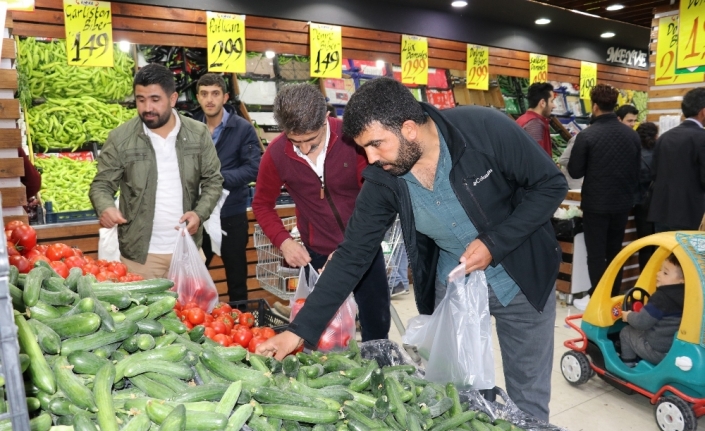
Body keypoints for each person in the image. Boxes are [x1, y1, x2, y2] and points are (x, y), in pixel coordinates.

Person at [257, 77, 568, 421]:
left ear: (409, 129)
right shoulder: (385, 178)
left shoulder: (484, 128)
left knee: (528, 398)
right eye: (363, 149)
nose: (370, 159)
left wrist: (495, 243)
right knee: (458, 398)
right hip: (454, 287)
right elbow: (352, 255)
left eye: (376, 144)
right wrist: (297, 333)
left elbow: (550, 184)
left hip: (522, 279)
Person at [251, 83, 391, 342]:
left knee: (376, 321)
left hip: (363, 248)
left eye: (311, 142)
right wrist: (284, 243)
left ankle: (377, 367)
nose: (303, 149)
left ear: (326, 119)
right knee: (322, 331)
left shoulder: (353, 140)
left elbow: (376, 198)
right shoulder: (276, 154)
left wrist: (355, 245)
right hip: (315, 252)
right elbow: (262, 204)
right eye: (295, 142)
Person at [89, 64, 223, 280]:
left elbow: (213, 181)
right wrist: (105, 207)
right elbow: (102, 184)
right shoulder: (121, 138)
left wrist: (199, 214)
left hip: (186, 250)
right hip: (140, 256)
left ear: (172, 99)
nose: (147, 107)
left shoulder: (197, 134)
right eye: (140, 100)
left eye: (154, 99)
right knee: (145, 313)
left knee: (192, 313)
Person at [569, 84, 641, 311]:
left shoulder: (587, 136)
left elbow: (575, 171)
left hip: (595, 204)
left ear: (595, 106)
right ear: (615, 106)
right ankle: (613, 297)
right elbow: (636, 170)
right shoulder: (632, 136)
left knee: (596, 254)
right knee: (614, 252)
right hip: (621, 204)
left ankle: (597, 298)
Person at [195, 73, 261, 302]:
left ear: (225, 97)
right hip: (199, 216)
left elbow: (253, 168)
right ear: (198, 98)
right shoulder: (192, 129)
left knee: (236, 279)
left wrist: (216, 178)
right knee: (194, 276)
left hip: (231, 215)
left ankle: (240, 324)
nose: (209, 99)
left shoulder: (242, 129)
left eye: (215, 94)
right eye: (204, 94)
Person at [648, 88, 705, 232]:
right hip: (691, 214)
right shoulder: (701, 138)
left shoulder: (664, 137)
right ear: (703, 112)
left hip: (662, 211)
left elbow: (653, 173)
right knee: (687, 254)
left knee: (663, 254)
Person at [620, 253, 684, 366]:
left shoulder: (661, 298)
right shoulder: (690, 296)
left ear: (682, 280)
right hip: (677, 350)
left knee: (627, 332)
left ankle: (628, 365)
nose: (658, 274)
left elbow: (641, 322)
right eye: (660, 270)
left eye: (665, 273)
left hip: (658, 352)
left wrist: (628, 316)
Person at [634, 122, 658, 270]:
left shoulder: (635, 154)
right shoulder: (661, 152)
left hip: (641, 202)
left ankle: (644, 277)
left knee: (645, 245)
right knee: (658, 244)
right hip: (659, 201)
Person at [515, 82, 555, 157]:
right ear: (542, 103)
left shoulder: (523, 119)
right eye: (552, 101)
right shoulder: (535, 124)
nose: (554, 106)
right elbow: (536, 157)